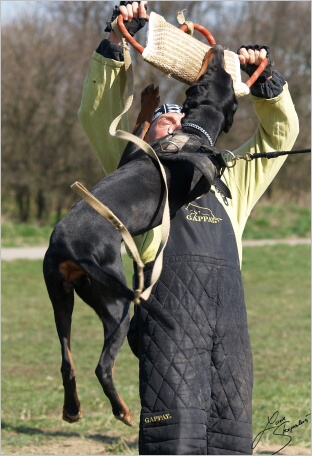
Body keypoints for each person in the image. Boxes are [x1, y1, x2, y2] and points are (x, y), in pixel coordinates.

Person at [78, 2, 299, 454]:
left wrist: (268, 85)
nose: (178, 115)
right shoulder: (133, 171)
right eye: (166, 113)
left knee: (230, 443)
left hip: (230, 338)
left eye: (185, 111)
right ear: (147, 130)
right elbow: (97, 114)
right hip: (168, 334)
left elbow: (281, 136)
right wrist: (118, 39)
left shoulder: (230, 176)